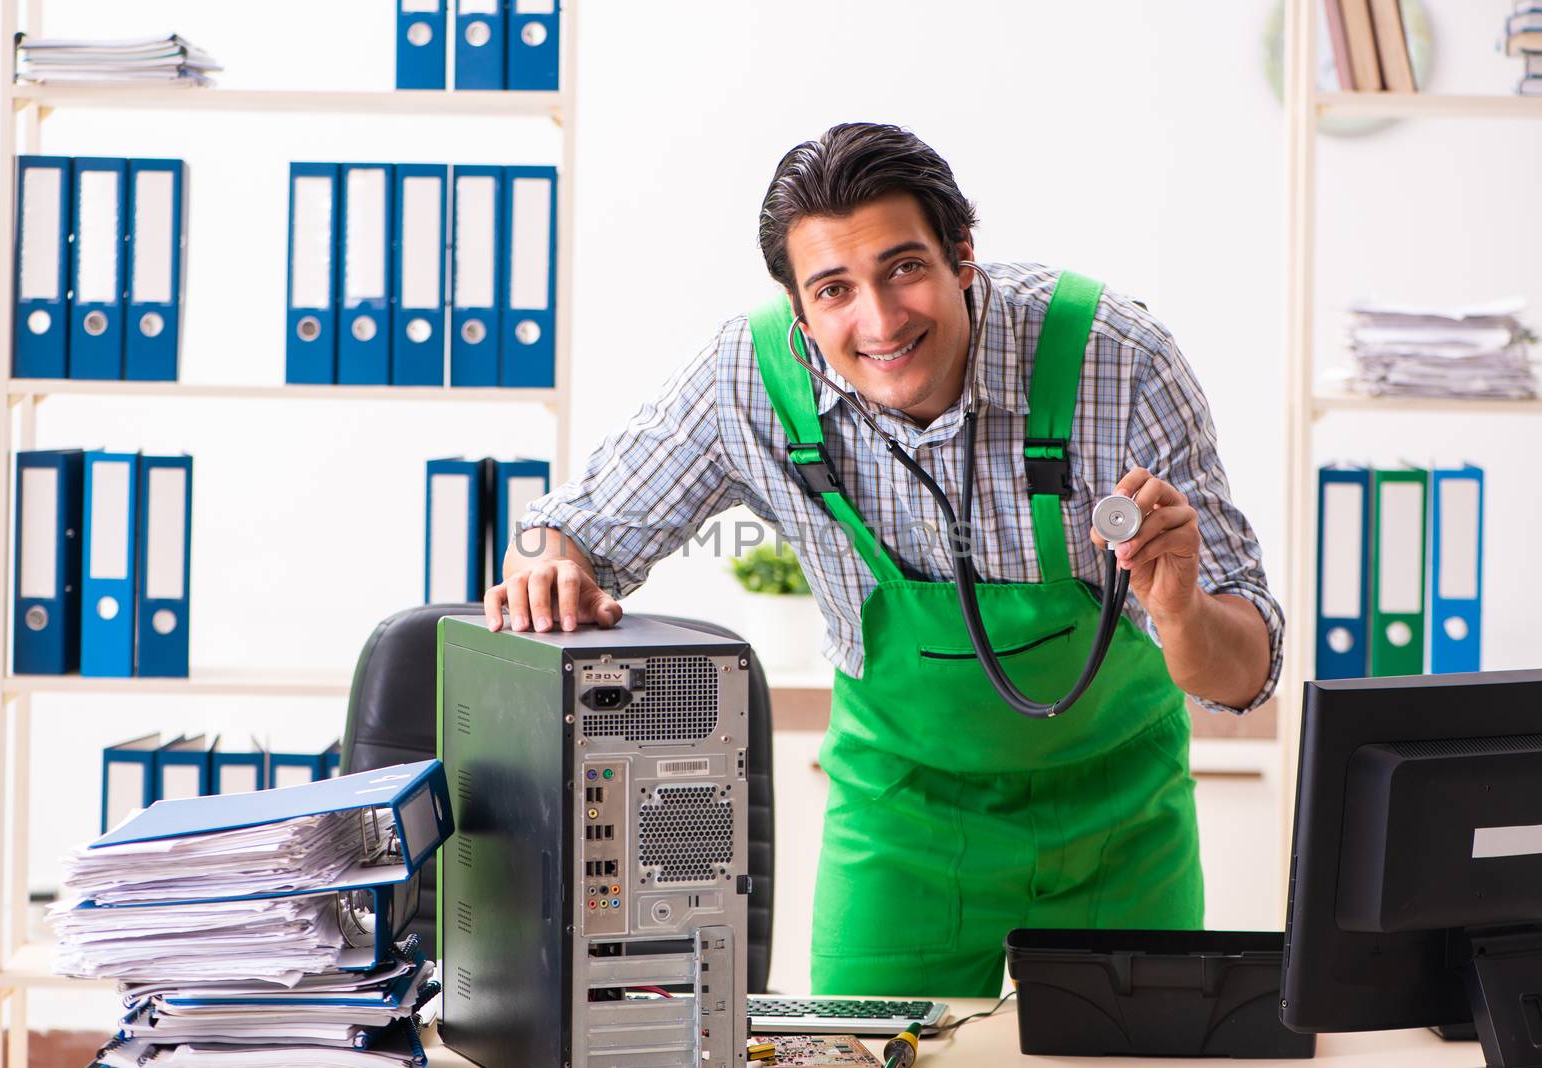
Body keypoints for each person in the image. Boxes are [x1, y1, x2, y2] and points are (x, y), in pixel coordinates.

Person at [484, 122, 1283, 997]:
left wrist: (1179, 610)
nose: (879, 319)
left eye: (904, 267)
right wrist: (542, 558)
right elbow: (560, 529)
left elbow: (1243, 678)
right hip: (901, 829)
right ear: (800, 312)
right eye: (834, 289)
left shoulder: (1117, 358)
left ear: (962, 256)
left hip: (1124, 827)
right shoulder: (748, 379)